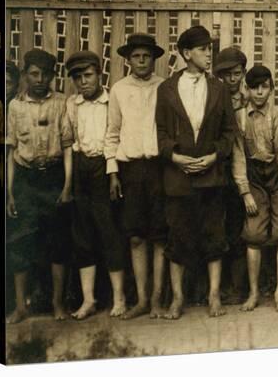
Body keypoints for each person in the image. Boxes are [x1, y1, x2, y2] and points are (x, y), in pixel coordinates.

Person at [155, 25, 236, 319]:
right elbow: (161, 133)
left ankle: (214, 296)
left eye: (210, 49)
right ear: (187, 53)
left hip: (211, 178)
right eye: (203, 49)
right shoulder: (166, 89)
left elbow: (229, 133)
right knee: (178, 239)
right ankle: (177, 299)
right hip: (178, 178)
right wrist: (175, 157)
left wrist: (214, 156)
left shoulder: (219, 88)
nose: (208, 54)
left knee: (214, 237)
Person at [6, 49, 73, 323]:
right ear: (25, 75)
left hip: (54, 177)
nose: (40, 79)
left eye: (45, 74)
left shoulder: (61, 103)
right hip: (25, 179)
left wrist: (67, 185)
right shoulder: (15, 106)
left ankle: (58, 304)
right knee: (21, 241)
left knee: (57, 241)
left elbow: (68, 146)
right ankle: (21, 306)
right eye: (34, 73)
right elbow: (11, 151)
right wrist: (10, 192)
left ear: (52, 76)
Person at [104, 34, 167, 319]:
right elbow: (112, 132)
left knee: (159, 235)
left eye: (146, 56)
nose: (141, 61)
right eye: (136, 56)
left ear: (153, 58)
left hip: (158, 168)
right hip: (130, 170)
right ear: (127, 59)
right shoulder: (118, 89)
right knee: (136, 237)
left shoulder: (164, 87)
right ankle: (141, 300)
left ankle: (156, 300)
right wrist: (113, 172)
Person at [65, 50, 128, 320]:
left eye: (88, 75)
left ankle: (119, 298)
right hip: (81, 168)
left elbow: (116, 136)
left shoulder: (109, 100)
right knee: (82, 235)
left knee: (109, 232)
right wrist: (70, 182)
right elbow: (70, 142)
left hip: (105, 168)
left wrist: (113, 173)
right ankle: (88, 299)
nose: (83, 82)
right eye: (77, 77)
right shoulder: (72, 104)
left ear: (99, 74)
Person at [233, 65, 278, 312]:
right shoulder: (240, 117)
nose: (260, 93)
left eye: (265, 87)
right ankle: (253, 293)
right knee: (253, 234)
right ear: (246, 89)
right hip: (253, 178)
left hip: (276, 176)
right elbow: (238, 158)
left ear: (271, 89)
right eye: (254, 88)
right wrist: (245, 192)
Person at [213, 47, 248, 303]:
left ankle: (238, 287)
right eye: (226, 75)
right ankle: (215, 286)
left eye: (236, 73)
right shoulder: (213, 99)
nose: (232, 79)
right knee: (216, 227)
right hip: (219, 167)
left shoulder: (249, 99)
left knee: (238, 228)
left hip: (246, 169)